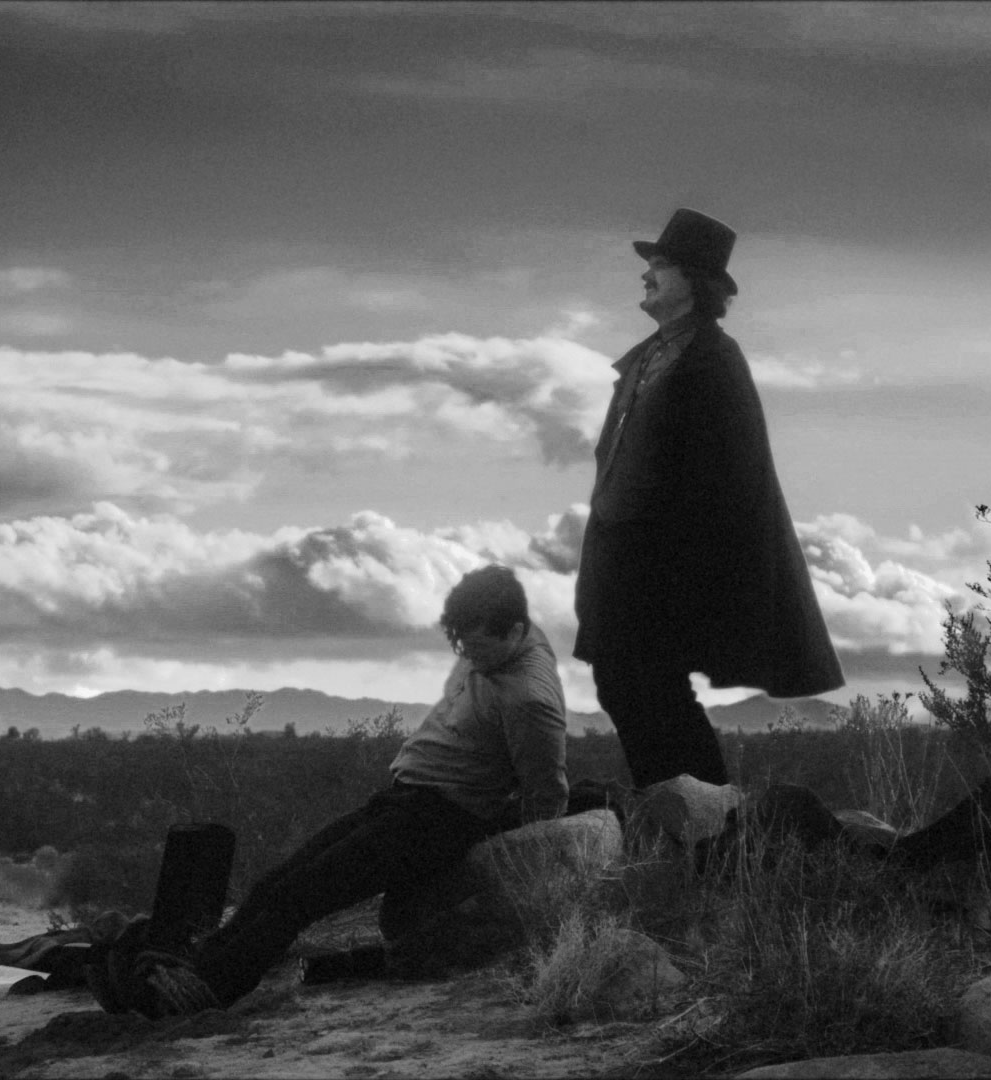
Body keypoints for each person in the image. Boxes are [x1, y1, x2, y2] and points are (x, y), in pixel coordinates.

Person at [96, 564, 570, 1018]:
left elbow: (547, 792)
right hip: (406, 800)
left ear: (514, 631)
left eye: (479, 647)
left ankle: (205, 991)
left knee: (301, 896)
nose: (470, 658)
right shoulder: (509, 638)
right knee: (276, 882)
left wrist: (523, 871)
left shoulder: (530, 700)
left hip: (438, 821)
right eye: (462, 645)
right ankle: (195, 967)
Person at [572, 208, 843, 791]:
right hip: (623, 563)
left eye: (660, 264)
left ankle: (708, 813)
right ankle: (683, 809)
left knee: (650, 687)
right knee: (623, 685)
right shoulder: (646, 358)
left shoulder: (715, 360)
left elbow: (731, 480)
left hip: (668, 567)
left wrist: (685, 569)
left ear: (694, 280)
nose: (646, 274)